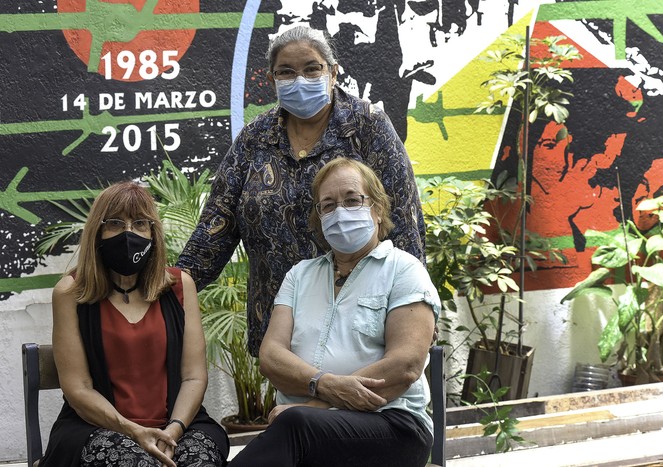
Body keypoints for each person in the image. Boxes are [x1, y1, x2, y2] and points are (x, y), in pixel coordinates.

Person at [176, 25, 425, 356]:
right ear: (273, 80)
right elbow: (217, 222)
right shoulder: (255, 138)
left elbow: (404, 218)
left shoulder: (366, 126)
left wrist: (416, 312)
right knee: (295, 404)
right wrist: (171, 283)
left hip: (362, 317)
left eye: (311, 69)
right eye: (286, 72)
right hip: (281, 320)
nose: (300, 79)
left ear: (333, 73)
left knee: (354, 401)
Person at [228, 158, 440, 467]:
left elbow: (404, 366)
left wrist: (315, 404)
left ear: (378, 210)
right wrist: (324, 383)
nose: (340, 212)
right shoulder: (299, 276)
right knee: (297, 428)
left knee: (296, 426)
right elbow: (272, 356)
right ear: (319, 219)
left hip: (391, 427)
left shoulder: (404, 270)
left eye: (352, 200)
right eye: (328, 205)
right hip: (303, 432)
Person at [42, 181, 229, 467]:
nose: (128, 233)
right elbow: (78, 388)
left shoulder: (180, 286)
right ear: (98, 232)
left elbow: (193, 376)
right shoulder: (70, 292)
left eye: (140, 224)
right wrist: (133, 431)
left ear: (153, 233)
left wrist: (173, 430)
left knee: (199, 460)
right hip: (98, 429)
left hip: (178, 426)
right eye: (115, 224)